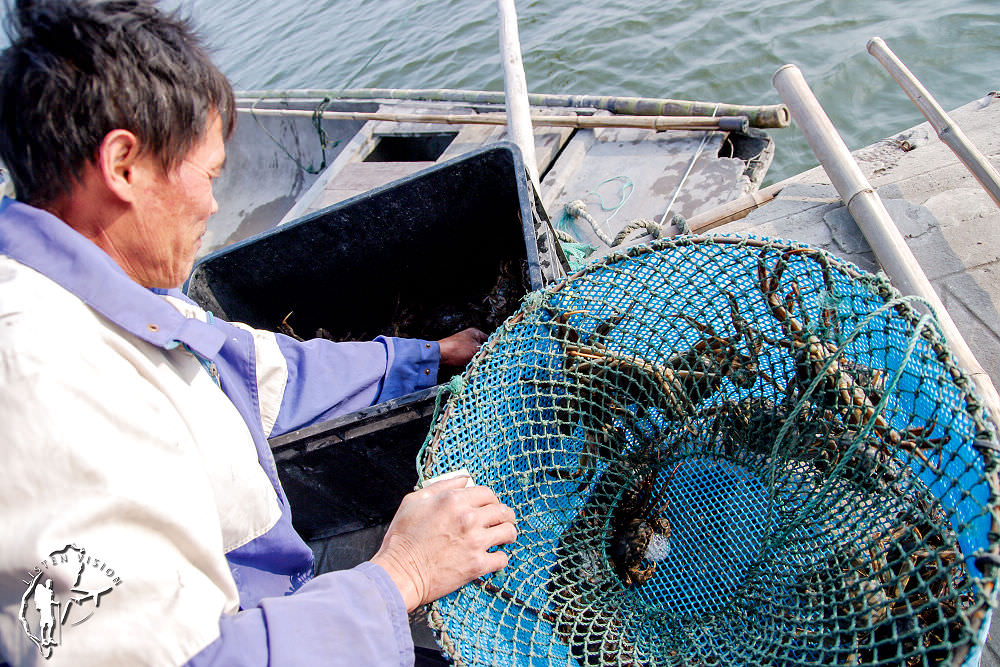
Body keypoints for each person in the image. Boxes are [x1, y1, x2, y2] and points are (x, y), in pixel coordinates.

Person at [0, 1, 516, 665]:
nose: (214, 204)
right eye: (209, 174)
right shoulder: (42, 393)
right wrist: (400, 577)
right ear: (123, 165)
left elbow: (260, 370)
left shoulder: (106, 284)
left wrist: (423, 357)